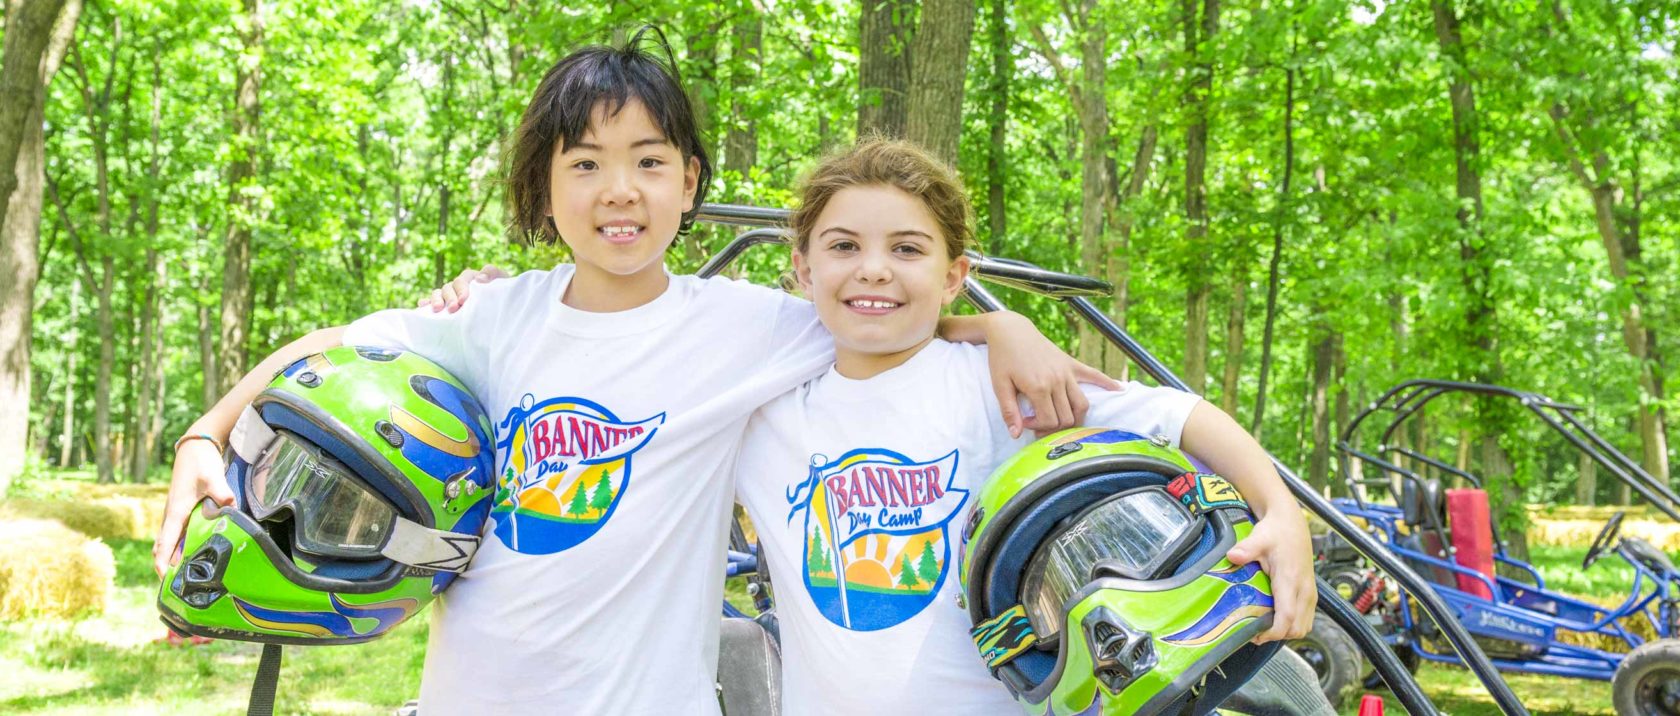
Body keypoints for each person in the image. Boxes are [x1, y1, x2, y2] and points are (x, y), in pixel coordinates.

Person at [153, 32, 1104, 715]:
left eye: (649, 161)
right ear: (545, 187)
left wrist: (999, 325)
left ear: (688, 182)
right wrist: (206, 434)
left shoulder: (750, 328)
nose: (619, 189)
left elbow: (884, 315)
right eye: (585, 163)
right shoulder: (492, 318)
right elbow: (326, 353)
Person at [727, 138, 1316, 714]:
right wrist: (990, 323)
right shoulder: (762, 411)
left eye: (907, 249)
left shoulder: (1003, 383)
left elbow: (1179, 415)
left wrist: (1281, 513)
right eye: (844, 246)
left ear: (954, 276)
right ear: (804, 270)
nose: (874, 269)